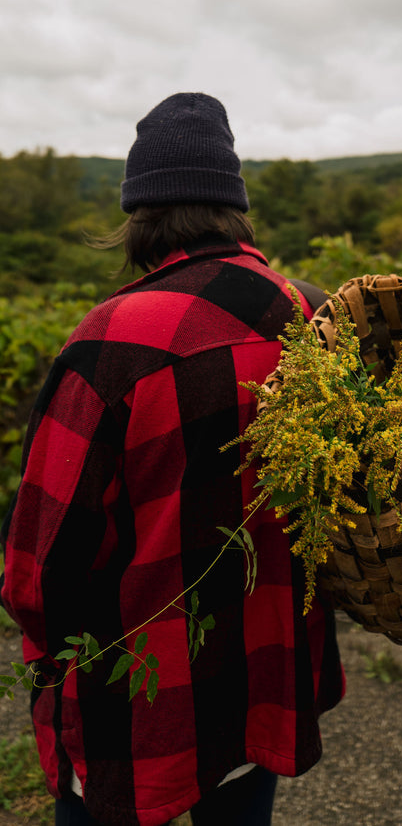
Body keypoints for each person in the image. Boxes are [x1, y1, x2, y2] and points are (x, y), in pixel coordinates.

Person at [0, 93, 345, 826]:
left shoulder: (108, 345)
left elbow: (38, 569)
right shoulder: (315, 314)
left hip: (138, 698)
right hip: (266, 669)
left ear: (140, 215)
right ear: (235, 206)